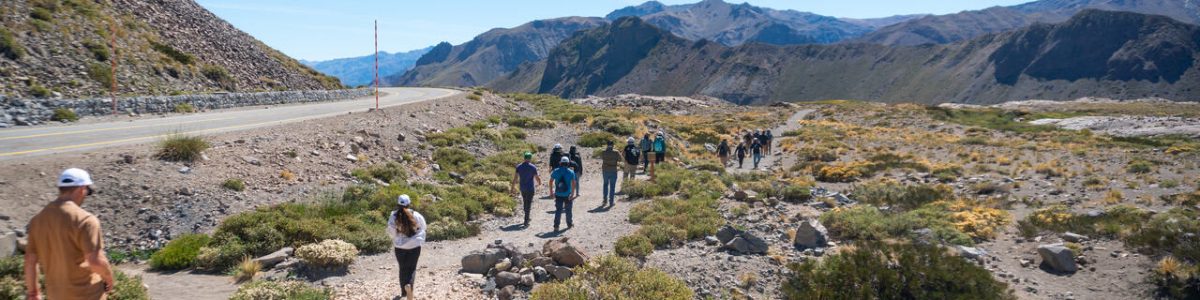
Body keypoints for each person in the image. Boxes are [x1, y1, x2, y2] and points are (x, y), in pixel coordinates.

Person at [25, 168, 114, 300]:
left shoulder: (37, 221)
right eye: (87, 191)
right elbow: (95, 261)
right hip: (88, 295)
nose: (86, 195)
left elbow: (30, 261)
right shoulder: (86, 220)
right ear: (81, 189)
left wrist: (33, 292)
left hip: (56, 295)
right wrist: (109, 278)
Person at [387, 194, 427, 300]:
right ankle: (410, 288)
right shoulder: (416, 215)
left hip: (400, 247)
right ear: (409, 203)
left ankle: (403, 293)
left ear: (397, 203)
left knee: (403, 268)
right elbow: (423, 227)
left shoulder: (393, 216)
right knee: (412, 268)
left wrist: (398, 238)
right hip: (414, 246)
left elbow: (391, 231)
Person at [512, 152, 542, 226]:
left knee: (525, 202)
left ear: (524, 158)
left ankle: (527, 216)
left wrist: (512, 188)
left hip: (522, 188)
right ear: (530, 158)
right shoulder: (533, 167)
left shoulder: (519, 167)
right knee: (528, 203)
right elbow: (536, 177)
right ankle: (526, 220)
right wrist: (539, 183)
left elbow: (515, 178)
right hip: (530, 188)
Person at [550, 157, 578, 231]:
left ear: (560, 163)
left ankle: (556, 226)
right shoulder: (571, 172)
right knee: (568, 210)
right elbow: (574, 183)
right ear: (568, 163)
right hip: (567, 194)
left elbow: (550, 181)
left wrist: (551, 192)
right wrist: (572, 194)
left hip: (558, 194)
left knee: (558, 210)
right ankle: (569, 224)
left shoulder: (555, 171)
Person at [599, 140, 621, 207]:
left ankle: (605, 200)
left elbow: (601, 157)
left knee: (605, 185)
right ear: (613, 145)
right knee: (612, 186)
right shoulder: (616, 152)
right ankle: (611, 202)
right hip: (613, 170)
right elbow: (620, 159)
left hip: (605, 170)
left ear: (607, 144)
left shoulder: (603, 152)